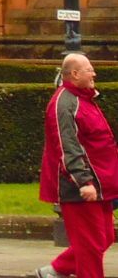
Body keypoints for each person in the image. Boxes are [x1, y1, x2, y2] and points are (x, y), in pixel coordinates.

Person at [40, 53, 118, 278]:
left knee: (104, 238)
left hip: (99, 184)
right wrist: (84, 181)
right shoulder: (64, 103)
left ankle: (54, 270)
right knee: (91, 246)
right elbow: (67, 146)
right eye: (89, 69)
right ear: (74, 74)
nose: (94, 73)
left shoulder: (83, 100)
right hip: (80, 187)